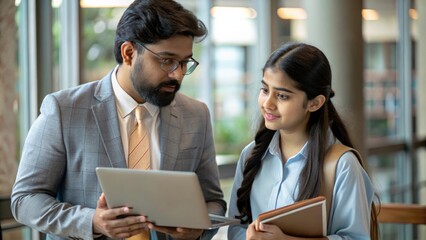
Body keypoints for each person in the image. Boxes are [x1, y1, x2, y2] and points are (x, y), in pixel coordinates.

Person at [11, 0, 226, 239]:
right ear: (129, 53)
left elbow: (213, 202)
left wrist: (195, 230)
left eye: (185, 62)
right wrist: (91, 221)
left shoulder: (196, 115)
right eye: (167, 60)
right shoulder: (64, 110)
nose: (178, 74)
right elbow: (25, 200)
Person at [227, 42, 379, 240]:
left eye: (281, 95)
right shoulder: (251, 155)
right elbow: (236, 228)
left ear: (314, 103)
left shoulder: (342, 165)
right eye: (265, 90)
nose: (267, 103)